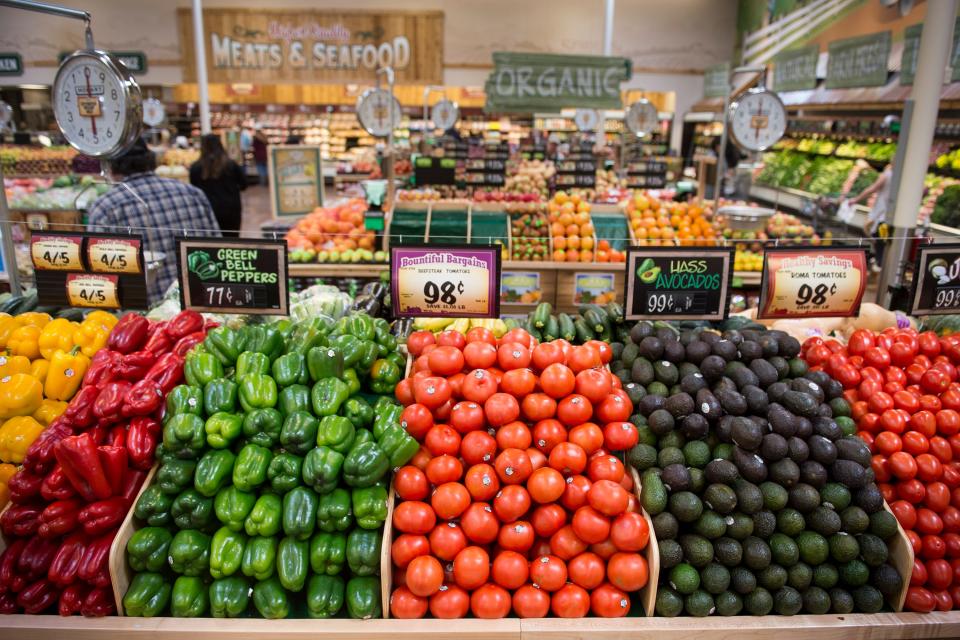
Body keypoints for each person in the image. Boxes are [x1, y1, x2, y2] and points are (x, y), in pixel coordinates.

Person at [87, 138, 221, 303]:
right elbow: (218, 251)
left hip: (148, 319)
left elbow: (101, 279)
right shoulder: (193, 194)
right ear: (150, 160)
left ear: (110, 167)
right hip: (201, 306)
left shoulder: (105, 208)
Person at [189, 134, 246, 235]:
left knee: (212, 244)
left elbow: (193, 189)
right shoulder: (231, 165)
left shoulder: (196, 167)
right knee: (232, 242)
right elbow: (244, 184)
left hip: (207, 210)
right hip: (231, 210)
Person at [847, 163, 892, 272]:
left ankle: (878, 268)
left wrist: (855, 199)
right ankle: (880, 267)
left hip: (882, 218)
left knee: (879, 245)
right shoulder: (904, 177)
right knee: (883, 247)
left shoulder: (888, 174)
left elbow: (873, 189)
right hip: (892, 219)